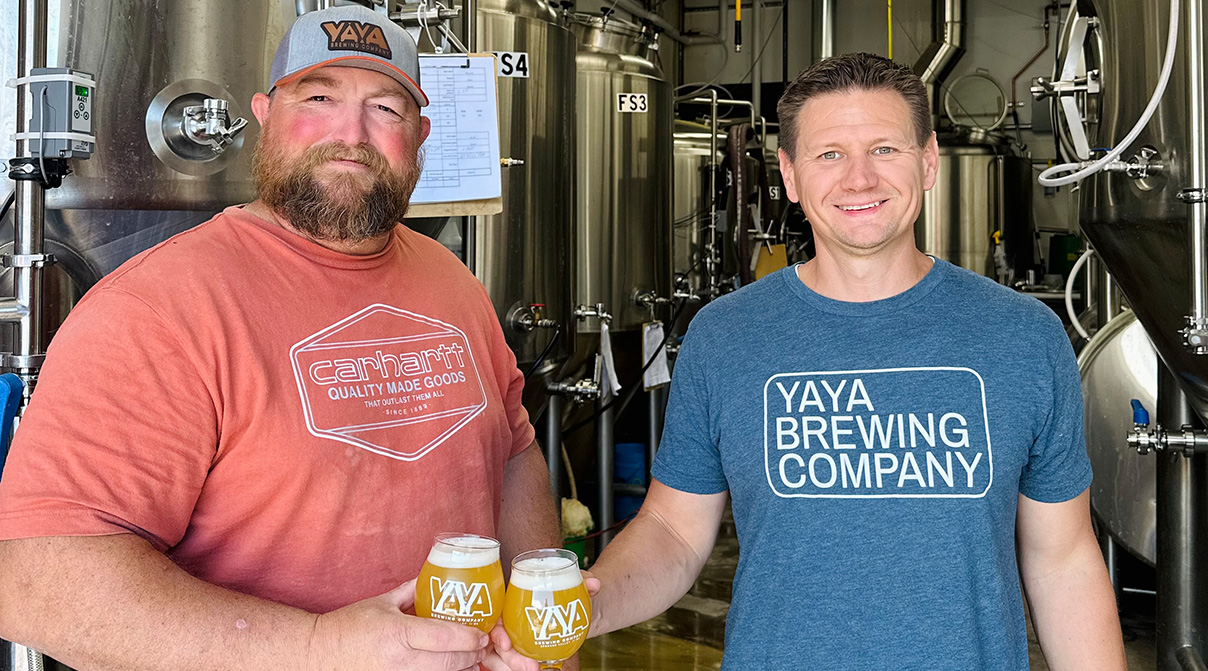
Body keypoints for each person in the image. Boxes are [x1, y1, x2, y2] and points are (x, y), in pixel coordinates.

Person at [0, 6, 563, 671]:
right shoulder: (157, 309)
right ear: (265, 115)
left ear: (420, 135)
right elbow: (41, 581)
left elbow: (513, 453)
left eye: (385, 109)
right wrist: (319, 648)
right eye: (319, 99)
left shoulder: (451, 281)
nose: (351, 135)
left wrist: (537, 625)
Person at [571, 53, 1127, 670]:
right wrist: (583, 608)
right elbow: (674, 531)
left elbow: (1063, 560)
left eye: (884, 149)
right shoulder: (725, 337)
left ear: (928, 161)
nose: (859, 179)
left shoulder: (1022, 336)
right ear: (789, 175)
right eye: (829, 154)